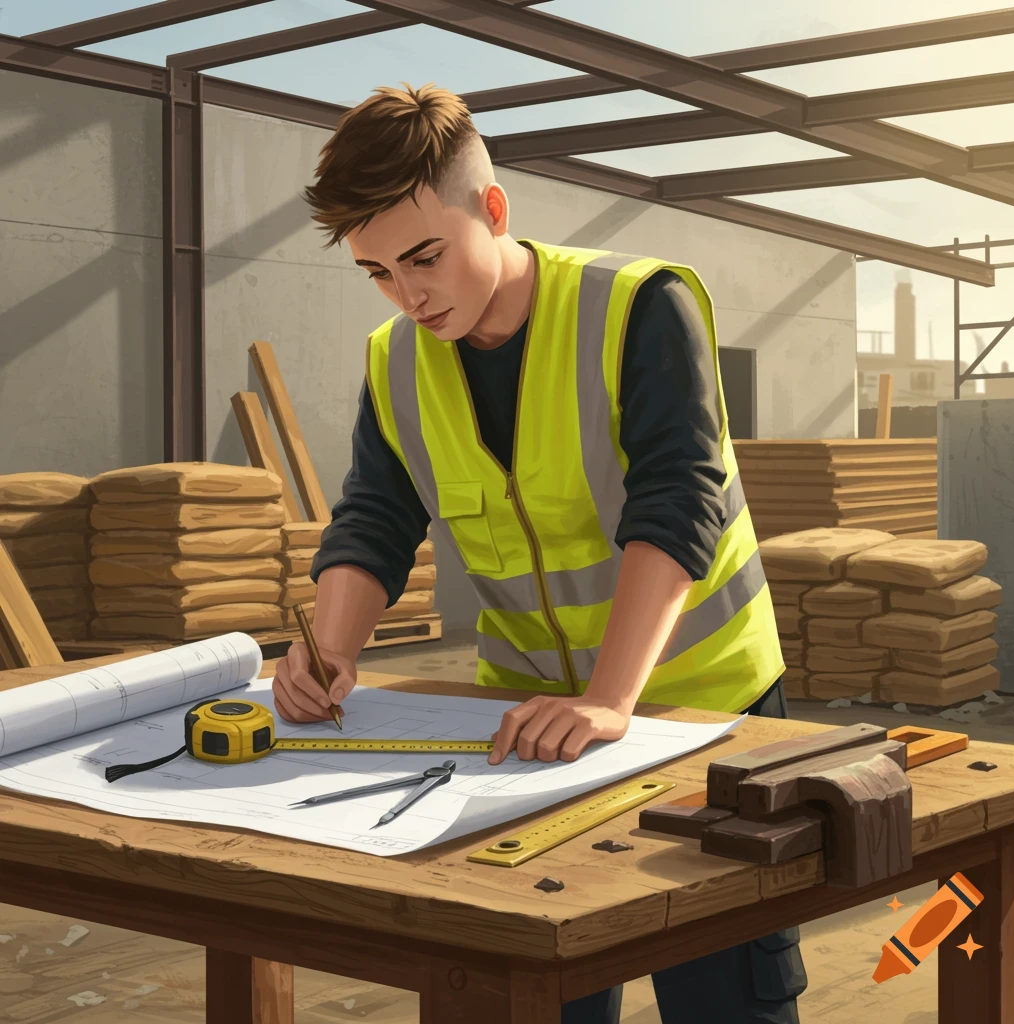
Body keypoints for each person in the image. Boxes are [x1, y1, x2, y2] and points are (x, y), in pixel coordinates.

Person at [273, 82, 807, 1023]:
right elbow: (374, 516)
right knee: (540, 994)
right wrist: (334, 651)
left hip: (707, 711)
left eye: (425, 257)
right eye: (379, 273)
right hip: (525, 731)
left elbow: (678, 502)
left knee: (723, 995)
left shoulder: (641, 306)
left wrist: (610, 698)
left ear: (493, 208)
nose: (409, 294)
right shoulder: (395, 362)